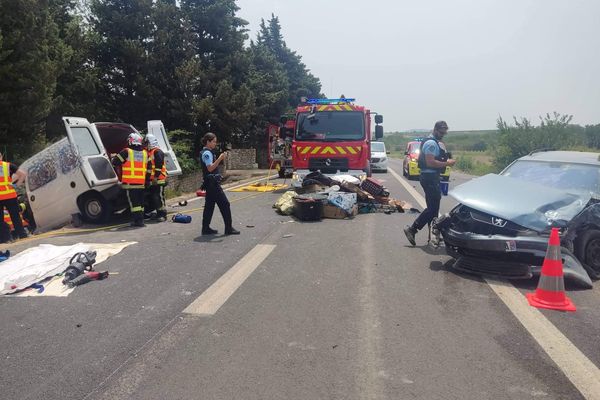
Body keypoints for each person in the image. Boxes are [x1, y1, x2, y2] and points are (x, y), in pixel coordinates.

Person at [404, 121, 456, 246]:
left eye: (444, 133)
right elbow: (430, 162)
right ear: (436, 129)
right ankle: (412, 229)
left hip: (431, 177)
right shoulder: (431, 143)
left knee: (433, 208)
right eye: (441, 132)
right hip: (430, 177)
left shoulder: (434, 142)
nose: (443, 135)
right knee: (432, 208)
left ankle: (432, 235)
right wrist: (447, 163)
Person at [199, 132, 240, 235]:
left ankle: (205, 228)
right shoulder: (207, 153)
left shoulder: (207, 152)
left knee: (209, 206)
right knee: (225, 204)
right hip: (212, 184)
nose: (215, 144)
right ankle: (228, 228)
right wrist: (220, 159)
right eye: (213, 142)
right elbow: (210, 168)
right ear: (208, 142)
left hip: (210, 183)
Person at [112, 133, 149, 227]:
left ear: (130, 140)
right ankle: (141, 219)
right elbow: (148, 168)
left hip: (130, 183)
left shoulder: (127, 151)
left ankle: (138, 221)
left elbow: (115, 162)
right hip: (141, 183)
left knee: (134, 204)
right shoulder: (145, 153)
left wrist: (114, 156)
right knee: (140, 203)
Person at [0, 151, 28, 240]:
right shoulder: (8, 166)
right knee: (15, 217)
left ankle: (4, 239)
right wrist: (16, 185)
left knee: (0, 220)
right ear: (1, 156)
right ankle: (22, 235)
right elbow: (23, 174)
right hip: (10, 196)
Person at [144, 133, 168, 222]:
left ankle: (162, 214)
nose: (145, 144)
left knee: (158, 197)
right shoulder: (149, 152)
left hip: (159, 179)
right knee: (153, 197)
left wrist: (155, 177)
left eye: (146, 143)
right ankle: (157, 213)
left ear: (150, 142)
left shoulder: (157, 151)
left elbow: (159, 165)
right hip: (152, 180)